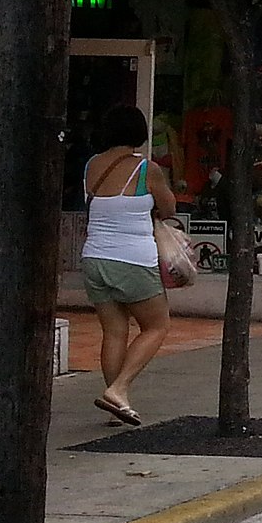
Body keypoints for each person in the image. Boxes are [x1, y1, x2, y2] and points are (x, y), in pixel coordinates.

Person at [80, 102, 177, 426]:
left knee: (114, 331)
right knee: (157, 326)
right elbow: (169, 208)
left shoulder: (92, 165)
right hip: (133, 258)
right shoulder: (146, 169)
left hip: (95, 258)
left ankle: (116, 406)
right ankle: (119, 389)